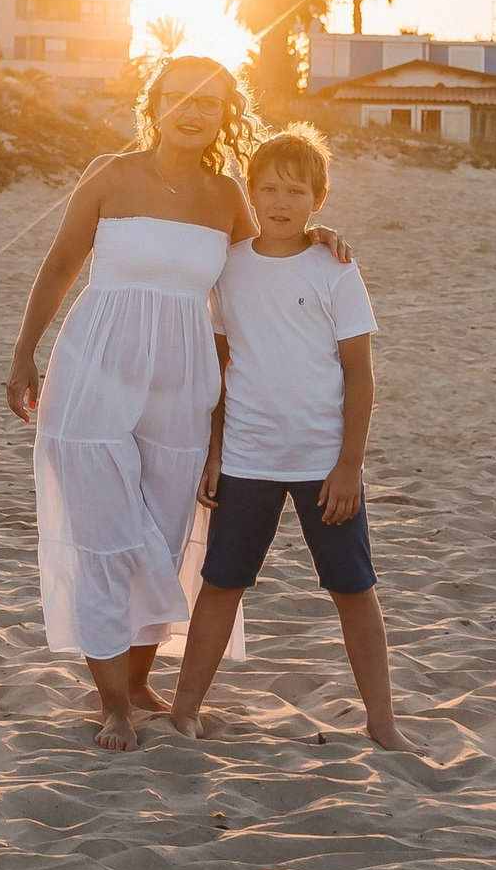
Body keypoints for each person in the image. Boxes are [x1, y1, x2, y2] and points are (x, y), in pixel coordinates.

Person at [6, 56, 273, 748]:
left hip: (185, 387)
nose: (192, 111)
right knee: (105, 540)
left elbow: (263, 281)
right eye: (179, 97)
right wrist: (23, 351)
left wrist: (324, 241)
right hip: (94, 367)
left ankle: (139, 676)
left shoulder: (228, 197)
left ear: (225, 116)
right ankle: (112, 703)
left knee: (164, 532)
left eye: (208, 103)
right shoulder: (111, 175)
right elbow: (61, 264)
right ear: (154, 103)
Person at [168, 126, 401, 747]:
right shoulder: (230, 267)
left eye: (296, 191)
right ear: (250, 192)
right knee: (222, 583)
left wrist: (350, 464)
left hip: (325, 462)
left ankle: (383, 723)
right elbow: (218, 368)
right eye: (268, 188)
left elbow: (359, 373)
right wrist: (214, 452)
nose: (280, 201)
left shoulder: (337, 268)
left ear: (318, 199)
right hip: (247, 457)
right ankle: (186, 709)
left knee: (354, 589)